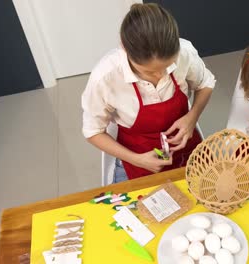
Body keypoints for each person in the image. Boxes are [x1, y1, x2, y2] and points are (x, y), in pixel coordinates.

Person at [82, 3, 215, 182]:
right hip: (136, 158)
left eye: (167, 67)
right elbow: (93, 131)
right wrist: (138, 160)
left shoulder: (184, 52)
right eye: (149, 72)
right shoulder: (106, 78)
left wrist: (193, 117)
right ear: (124, 47)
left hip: (187, 150)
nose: (160, 75)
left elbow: (204, 84)